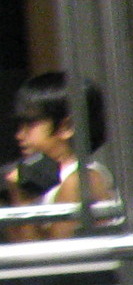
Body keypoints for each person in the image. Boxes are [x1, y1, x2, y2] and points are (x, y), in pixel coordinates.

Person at [4, 73, 114, 242]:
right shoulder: (51, 178)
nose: (20, 134)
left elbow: (52, 254)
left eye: (30, 123)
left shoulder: (79, 180)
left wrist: (23, 201)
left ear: (66, 127)